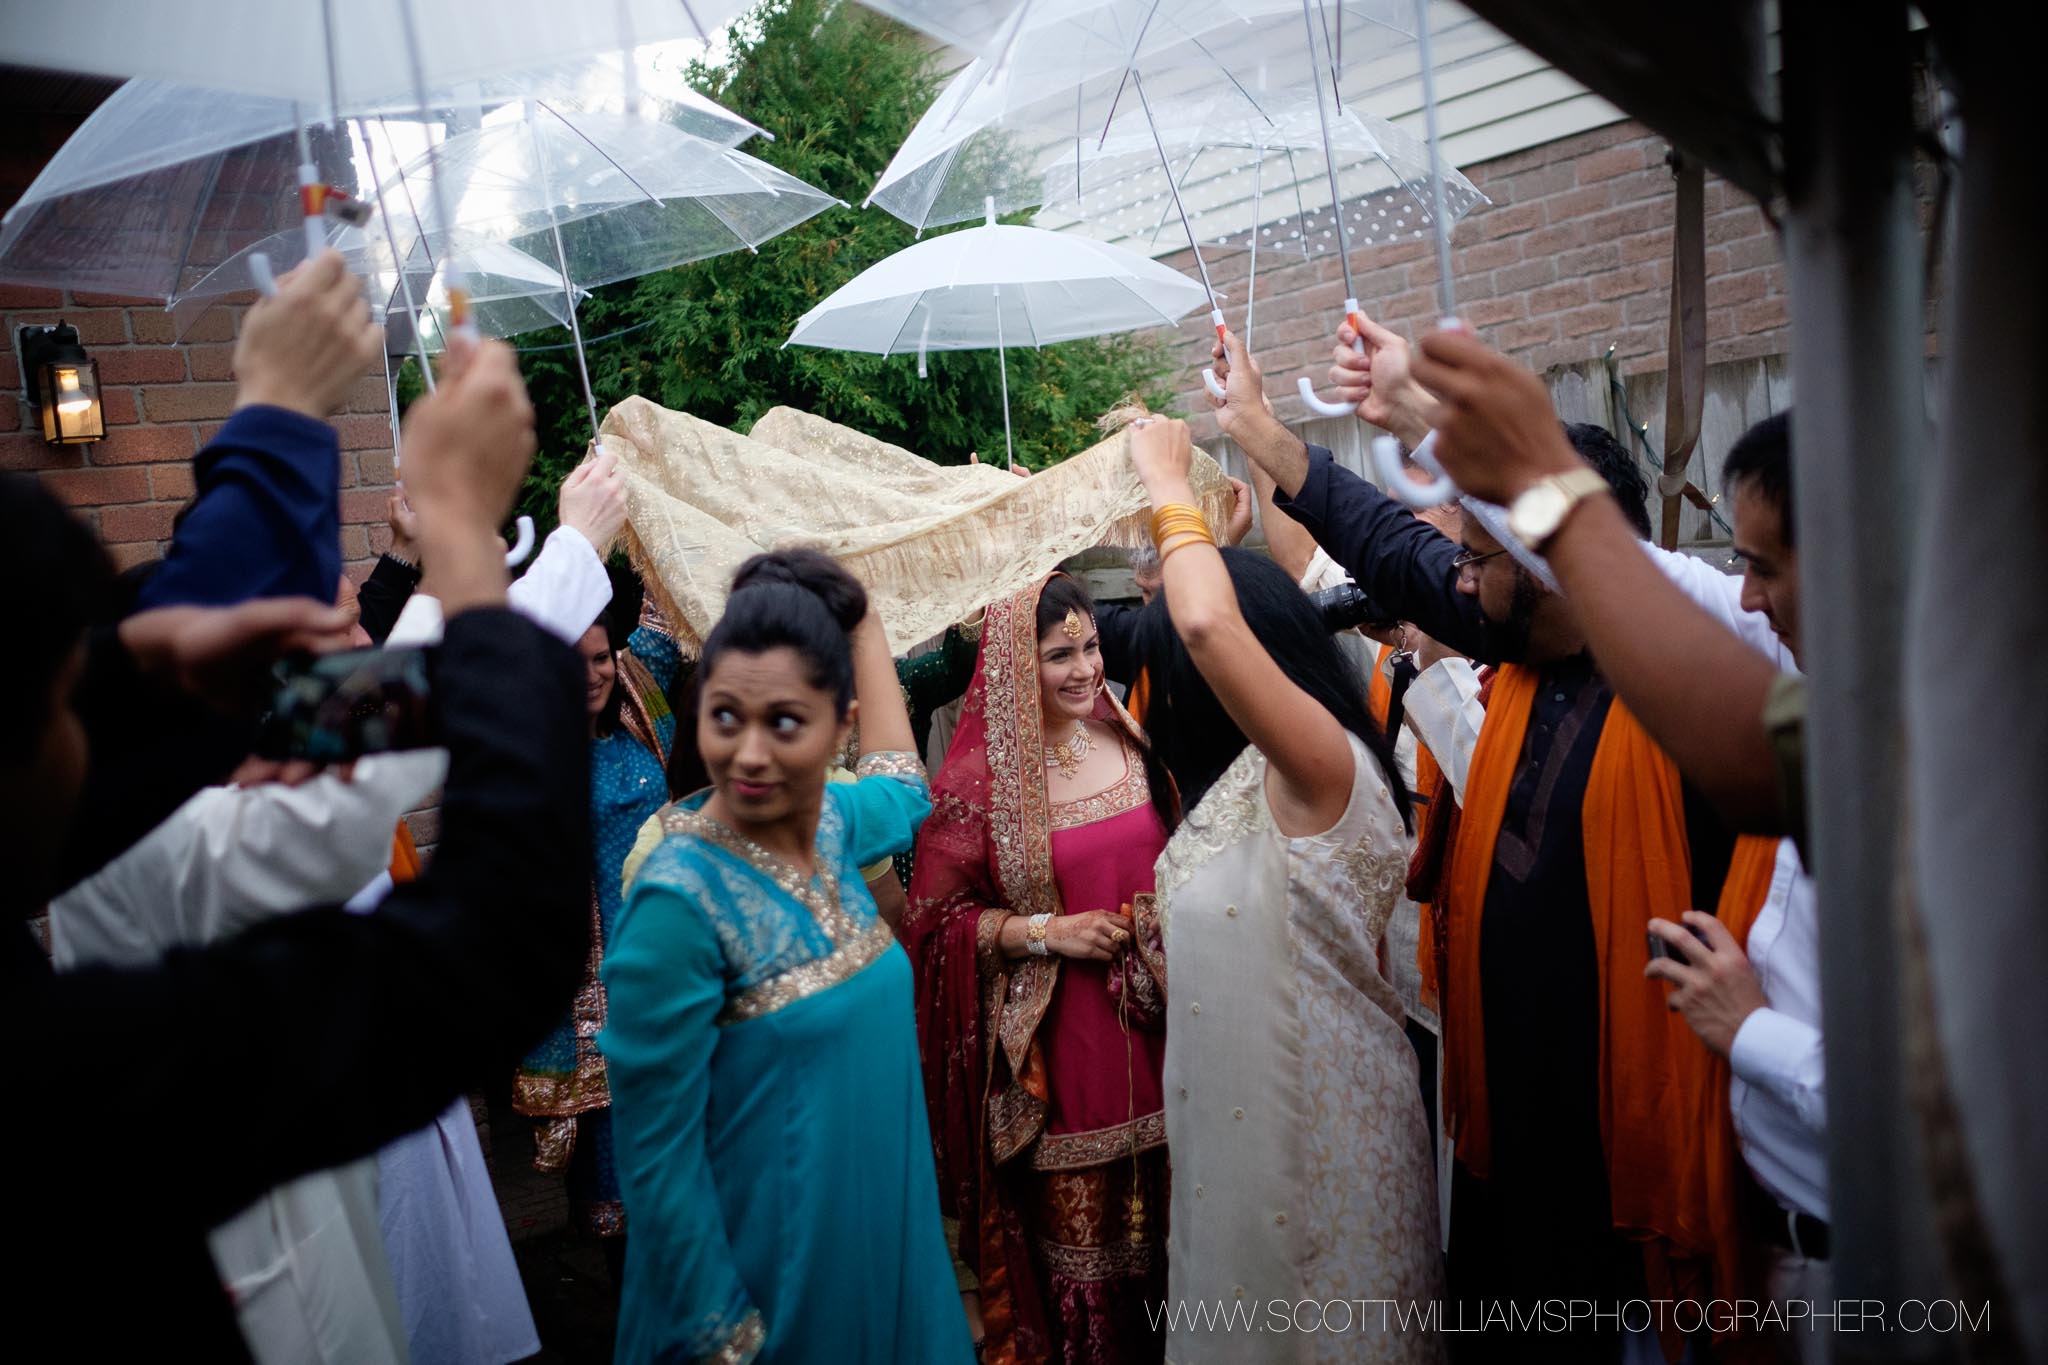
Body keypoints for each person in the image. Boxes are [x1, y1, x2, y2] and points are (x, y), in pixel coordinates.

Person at [3, 336, 591, 1362]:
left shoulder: (187, 765)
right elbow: (493, 924)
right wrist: (471, 532)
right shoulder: (132, 897)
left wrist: (150, 677)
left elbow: (347, 719)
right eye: (69, 695)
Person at [1212, 322, 1769, 1358]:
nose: (1452, 581)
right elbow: (1394, 545)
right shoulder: (1512, 651)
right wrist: (1261, 431)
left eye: (1480, 556)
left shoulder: (1678, 695)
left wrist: (1438, 423)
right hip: (1504, 1145)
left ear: (1549, 566)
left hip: (1620, 1180)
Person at [1402, 341, 1830, 1360]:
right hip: (1589, 1170)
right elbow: (1638, 570)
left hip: (1809, 1247)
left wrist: (1750, 1031)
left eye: (1762, 566)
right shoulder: (1532, 672)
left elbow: (1929, 1098)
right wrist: (1461, 451)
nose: (1746, 593)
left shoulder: (1833, 740)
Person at [1123, 417, 1442, 1364]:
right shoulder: (1247, 785)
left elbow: (1207, 622)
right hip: (1242, 1145)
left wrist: (1164, 483)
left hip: (1330, 1145)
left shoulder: (1320, 771)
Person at [599, 549, 970, 1363]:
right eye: (726, 717)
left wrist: (863, 618)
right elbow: (657, 1159)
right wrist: (727, 1338)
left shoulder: (835, 821)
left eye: (786, 723)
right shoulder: (676, 899)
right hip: (771, 1280)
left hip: (887, 1229)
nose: (752, 754)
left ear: (841, 726)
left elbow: (908, 790)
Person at [904, 571, 1171, 1365]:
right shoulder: (978, 785)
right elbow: (936, 927)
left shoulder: (1128, 734)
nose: (1086, 669)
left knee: (1179, 1264)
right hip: (1064, 1073)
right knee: (1089, 1297)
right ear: (1016, 665)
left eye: (1091, 647)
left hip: (1170, 1050)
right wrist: (1046, 931)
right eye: (1061, 654)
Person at [505, 450, 668, 1258]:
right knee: (608, 1196)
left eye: (599, 658)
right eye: (570, 663)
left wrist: (643, 492)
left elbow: (670, 617)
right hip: (587, 999)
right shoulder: (532, 750)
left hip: (667, 971)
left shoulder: (647, 708)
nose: (592, 675)